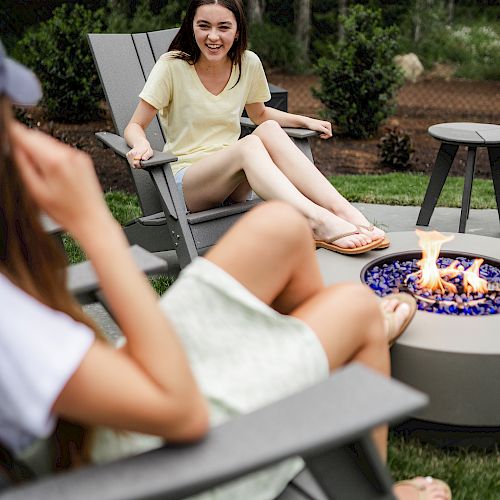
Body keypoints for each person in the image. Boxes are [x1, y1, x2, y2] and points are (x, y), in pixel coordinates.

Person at [0, 42, 451, 500]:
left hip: (111, 382)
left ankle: (334, 274)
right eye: (8, 127)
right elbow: (180, 413)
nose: (25, 141)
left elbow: (261, 115)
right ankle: (371, 481)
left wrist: (304, 123)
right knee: (354, 306)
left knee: (280, 225)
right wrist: (95, 225)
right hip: (142, 451)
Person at [124, 0, 389, 255]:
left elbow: (259, 114)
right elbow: (135, 125)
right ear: (191, 27)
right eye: (204, 25)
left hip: (236, 181)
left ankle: (344, 211)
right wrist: (142, 143)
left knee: (269, 129)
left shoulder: (247, 63)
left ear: (238, 31)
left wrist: (304, 120)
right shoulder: (172, 66)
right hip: (188, 184)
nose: (213, 36)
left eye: (224, 27)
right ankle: (316, 220)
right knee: (249, 144)